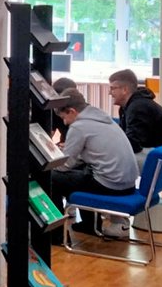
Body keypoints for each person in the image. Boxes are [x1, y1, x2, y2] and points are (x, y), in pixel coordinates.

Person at [51, 89, 139, 239]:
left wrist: (51, 160)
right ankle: (89, 225)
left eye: (64, 117)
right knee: (83, 172)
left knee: (50, 178)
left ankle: (55, 234)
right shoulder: (103, 118)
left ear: (72, 111)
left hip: (110, 185)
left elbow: (65, 166)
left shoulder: (79, 127)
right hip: (127, 184)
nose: (64, 122)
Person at [107, 69, 162, 167]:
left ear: (124, 90)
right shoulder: (128, 107)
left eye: (113, 88)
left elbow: (133, 144)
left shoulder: (138, 108)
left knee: (111, 160)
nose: (110, 92)